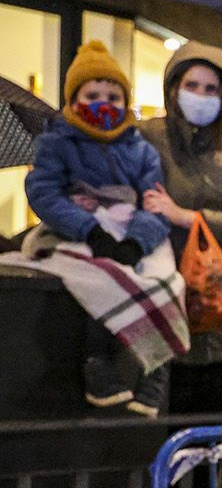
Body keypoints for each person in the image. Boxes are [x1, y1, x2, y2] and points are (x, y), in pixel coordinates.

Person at [23, 40, 173, 414]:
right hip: (79, 232)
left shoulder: (142, 151)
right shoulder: (56, 144)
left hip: (133, 233)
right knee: (98, 278)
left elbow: (156, 203)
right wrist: (89, 228)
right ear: (73, 99)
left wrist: (138, 241)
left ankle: (155, 367)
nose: (104, 102)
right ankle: (97, 363)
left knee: (168, 281)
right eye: (92, 94)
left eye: (113, 95)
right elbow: (44, 192)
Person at [138, 42, 222, 416]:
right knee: (168, 435)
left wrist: (185, 217)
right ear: (173, 88)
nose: (201, 96)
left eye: (211, 89)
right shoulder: (147, 139)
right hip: (167, 303)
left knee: (219, 435)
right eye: (192, 86)